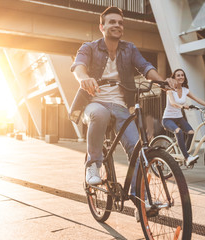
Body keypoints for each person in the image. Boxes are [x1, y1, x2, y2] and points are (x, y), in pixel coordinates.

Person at [69, 6, 167, 187]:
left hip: (121, 106)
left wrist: (162, 82)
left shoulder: (129, 49)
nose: (117, 25)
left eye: (120, 23)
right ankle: (93, 165)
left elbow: (145, 67)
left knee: (137, 149)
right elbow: (79, 65)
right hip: (94, 102)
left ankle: (139, 200)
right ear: (102, 27)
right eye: (112, 22)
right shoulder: (89, 47)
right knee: (100, 114)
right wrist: (84, 78)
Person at [162, 68, 205, 166]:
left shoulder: (185, 90)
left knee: (191, 133)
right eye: (178, 75)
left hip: (179, 118)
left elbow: (197, 99)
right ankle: (187, 157)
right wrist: (183, 106)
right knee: (178, 131)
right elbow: (173, 103)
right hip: (168, 119)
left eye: (182, 75)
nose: (180, 77)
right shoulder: (170, 90)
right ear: (174, 77)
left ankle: (184, 154)